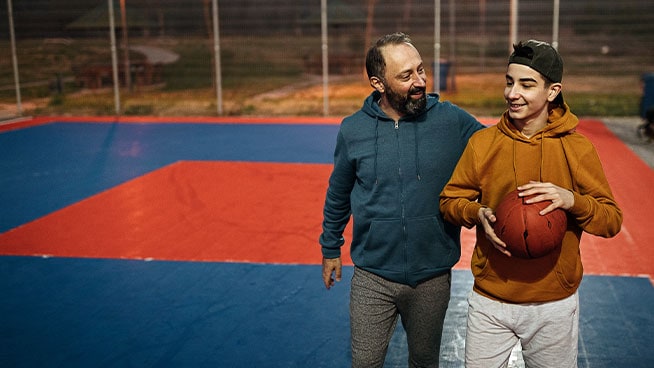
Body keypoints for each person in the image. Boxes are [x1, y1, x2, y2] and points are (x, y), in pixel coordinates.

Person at [439, 39, 623, 367]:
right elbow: (450, 201)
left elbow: (610, 220)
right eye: (509, 82)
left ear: (552, 91)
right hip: (491, 300)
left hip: (553, 303)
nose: (512, 93)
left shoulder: (577, 149)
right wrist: (476, 212)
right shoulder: (483, 144)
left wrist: (572, 201)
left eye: (526, 84)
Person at [319, 32, 485, 368]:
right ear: (378, 83)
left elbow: (498, 148)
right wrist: (330, 247)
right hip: (372, 275)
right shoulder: (353, 130)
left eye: (421, 70)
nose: (420, 81)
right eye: (406, 76)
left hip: (432, 276)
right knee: (364, 363)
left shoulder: (451, 120)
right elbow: (339, 192)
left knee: (424, 362)